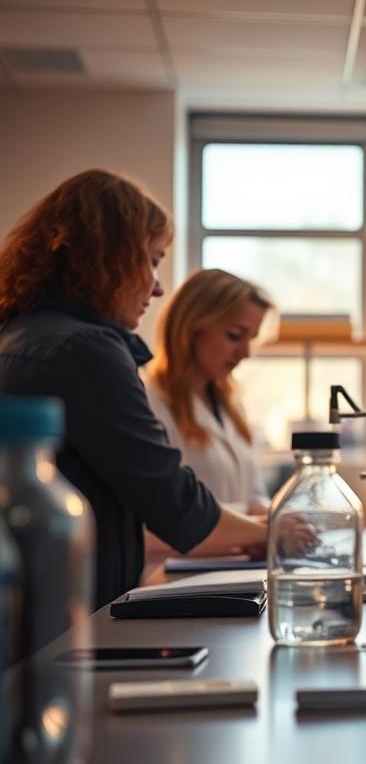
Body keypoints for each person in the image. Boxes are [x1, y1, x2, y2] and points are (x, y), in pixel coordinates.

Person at [0, 169, 267, 607]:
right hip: (69, 611)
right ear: (109, 258)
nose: (157, 286)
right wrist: (276, 535)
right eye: (152, 260)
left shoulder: (22, 332)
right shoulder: (86, 350)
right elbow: (173, 502)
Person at [144, 269, 272, 520]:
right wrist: (250, 517)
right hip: (183, 557)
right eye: (235, 336)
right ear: (191, 329)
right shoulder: (150, 400)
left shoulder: (231, 406)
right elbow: (164, 510)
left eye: (252, 339)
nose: (245, 353)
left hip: (236, 554)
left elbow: (253, 492)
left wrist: (268, 511)